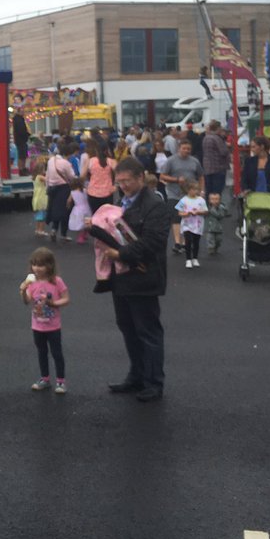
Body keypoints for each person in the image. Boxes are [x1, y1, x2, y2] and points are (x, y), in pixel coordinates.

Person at [86, 156, 171, 402]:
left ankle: (154, 382)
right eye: (119, 182)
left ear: (140, 178)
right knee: (128, 328)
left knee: (148, 331)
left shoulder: (155, 206)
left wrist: (120, 253)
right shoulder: (121, 202)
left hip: (144, 278)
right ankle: (136, 376)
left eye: (127, 181)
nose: (122, 186)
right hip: (121, 279)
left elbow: (153, 243)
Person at [19, 247, 69, 394]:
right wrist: (23, 290)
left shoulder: (56, 281)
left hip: (53, 326)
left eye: (41, 265)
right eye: (34, 264)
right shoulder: (31, 283)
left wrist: (53, 303)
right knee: (41, 352)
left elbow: (66, 299)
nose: (37, 268)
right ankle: (45, 378)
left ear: (49, 265)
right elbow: (26, 301)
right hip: (37, 326)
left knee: (56, 353)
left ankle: (61, 381)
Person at [160, 139, 204, 255]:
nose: (186, 151)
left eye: (188, 149)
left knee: (188, 217)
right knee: (175, 216)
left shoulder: (194, 161)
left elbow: (200, 176)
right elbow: (162, 176)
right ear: (179, 148)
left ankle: (185, 242)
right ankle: (177, 242)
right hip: (174, 193)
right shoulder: (171, 161)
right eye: (184, 148)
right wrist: (176, 180)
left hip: (190, 194)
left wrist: (201, 190)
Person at [175, 178, 207, 269]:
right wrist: (186, 213)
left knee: (196, 241)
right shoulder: (183, 200)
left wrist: (198, 212)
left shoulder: (201, 200)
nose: (195, 191)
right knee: (188, 241)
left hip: (198, 224)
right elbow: (179, 212)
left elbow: (205, 211)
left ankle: (195, 258)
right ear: (188, 190)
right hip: (187, 224)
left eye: (197, 189)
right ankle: (188, 259)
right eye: (193, 189)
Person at [45, 147, 74, 243]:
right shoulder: (66, 163)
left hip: (52, 188)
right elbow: (72, 176)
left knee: (55, 210)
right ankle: (63, 234)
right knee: (65, 211)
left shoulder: (51, 160)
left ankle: (53, 230)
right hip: (63, 189)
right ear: (68, 154)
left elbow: (47, 175)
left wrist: (47, 187)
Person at [85, 137, 117, 216]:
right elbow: (120, 173)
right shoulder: (111, 161)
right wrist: (116, 185)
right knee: (107, 216)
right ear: (107, 150)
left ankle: (96, 228)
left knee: (95, 216)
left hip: (92, 192)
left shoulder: (91, 161)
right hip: (107, 192)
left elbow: (82, 175)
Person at [201, 120, 231, 199]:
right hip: (218, 168)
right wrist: (228, 147)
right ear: (218, 128)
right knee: (217, 192)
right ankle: (216, 209)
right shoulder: (217, 138)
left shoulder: (206, 138)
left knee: (209, 192)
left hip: (207, 168)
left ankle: (209, 207)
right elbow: (223, 152)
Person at [206, 192, 230, 256]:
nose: (214, 201)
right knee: (210, 239)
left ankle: (216, 248)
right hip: (210, 228)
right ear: (209, 200)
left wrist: (223, 207)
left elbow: (221, 215)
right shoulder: (208, 208)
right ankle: (211, 248)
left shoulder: (221, 208)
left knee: (218, 240)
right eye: (212, 199)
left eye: (216, 199)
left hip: (218, 228)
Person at [67, 176, 90, 243]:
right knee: (86, 222)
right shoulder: (85, 191)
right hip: (87, 207)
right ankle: (85, 234)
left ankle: (81, 237)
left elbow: (69, 200)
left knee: (80, 223)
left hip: (78, 208)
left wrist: (68, 205)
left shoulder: (72, 192)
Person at [31, 158, 49, 237]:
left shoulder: (35, 177)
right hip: (41, 197)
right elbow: (48, 180)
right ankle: (41, 230)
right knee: (42, 215)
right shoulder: (40, 177)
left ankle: (37, 229)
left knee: (39, 215)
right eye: (44, 169)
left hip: (37, 197)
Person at [12, 109, 30, 174]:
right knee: (22, 155)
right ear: (19, 112)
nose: (24, 112)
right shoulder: (18, 120)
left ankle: (23, 168)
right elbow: (21, 130)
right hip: (21, 140)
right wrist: (27, 134)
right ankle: (21, 169)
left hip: (20, 140)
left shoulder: (18, 119)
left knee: (23, 155)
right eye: (23, 111)